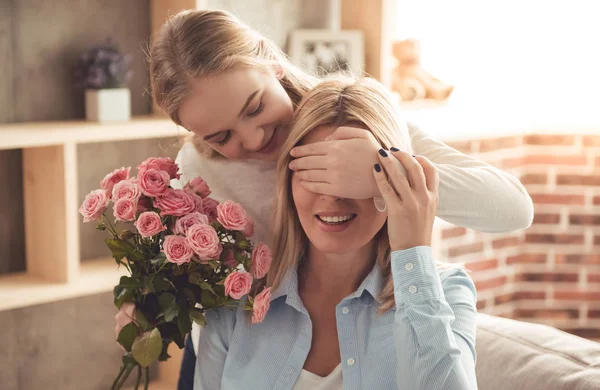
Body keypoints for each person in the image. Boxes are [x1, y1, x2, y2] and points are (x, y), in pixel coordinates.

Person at [114, 9, 532, 388]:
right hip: (243, 343)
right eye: (221, 137)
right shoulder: (200, 167)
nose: (254, 139)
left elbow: (514, 208)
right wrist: (148, 298)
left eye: (255, 107)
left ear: (271, 64)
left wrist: (383, 171)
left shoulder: (354, 121)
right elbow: (187, 265)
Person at [193, 76, 477, 389]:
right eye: (317, 173)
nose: (334, 196)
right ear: (288, 181)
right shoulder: (237, 298)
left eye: (354, 176)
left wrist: (412, 248)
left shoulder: (448, 292)